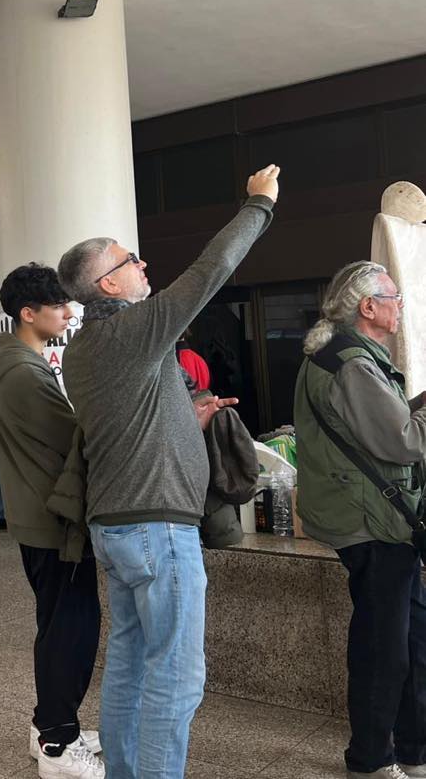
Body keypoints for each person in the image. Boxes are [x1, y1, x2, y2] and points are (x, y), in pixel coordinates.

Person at [56, 163, 280, 779]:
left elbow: (134, 412)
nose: (144, 266)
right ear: (107, 284)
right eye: (131, 260)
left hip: (117, 528)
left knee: (131, 664)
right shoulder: (133, 329)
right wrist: (257, 205)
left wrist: (190, 415)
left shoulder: (86, 347)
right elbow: (210, 274)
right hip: (157, 530)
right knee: (178, 680)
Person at [294, 261, 426, 779]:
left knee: (412, 635)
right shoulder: (351, 362)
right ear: (368, 307)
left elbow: (385, 422)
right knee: (383, 646)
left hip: (377, 517)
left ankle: (415, 751)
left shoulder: (349, 356)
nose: (400, 306)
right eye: (394, 297)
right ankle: (370, 761)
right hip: (372, 523)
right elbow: (404, 441)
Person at [0, 264, 104, 778]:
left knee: (61, 621)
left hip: (39, 513)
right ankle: (56, 744)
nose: (69, 313)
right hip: (53, 519)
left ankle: (52, 724)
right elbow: (76, 439)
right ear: (29, 314)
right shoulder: (24, 373)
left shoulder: (17, 364)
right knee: (71, 627)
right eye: (60, 306)